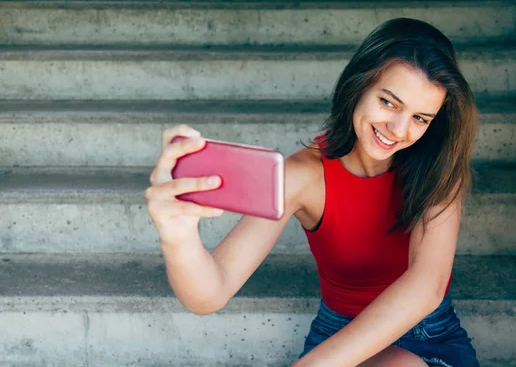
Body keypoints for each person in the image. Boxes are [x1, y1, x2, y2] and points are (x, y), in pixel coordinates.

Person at [145, 18, 480, 367]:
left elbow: (426, 288)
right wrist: (178, 239)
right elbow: (209, 294)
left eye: (420, 119)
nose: (398, 129)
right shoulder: (302, 174)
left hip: (429, 337)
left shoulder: (440, 168)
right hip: (338, 338)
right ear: (359, 86)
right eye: (389, 103)